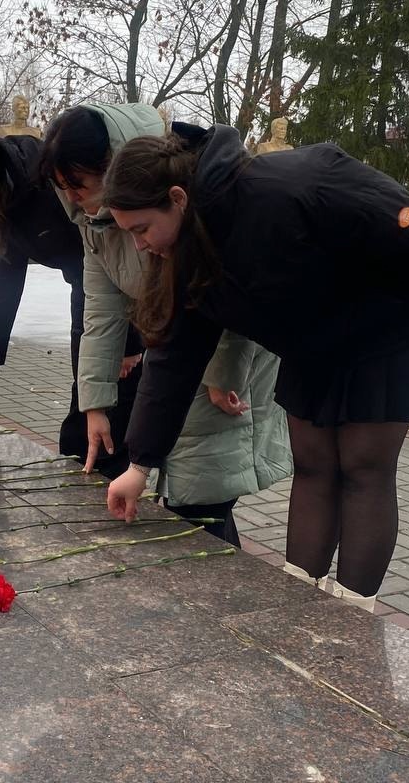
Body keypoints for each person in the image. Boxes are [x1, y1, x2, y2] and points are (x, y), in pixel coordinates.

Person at [102, 126, 409, 610]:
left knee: (363, 469)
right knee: (314, 466)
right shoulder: (185, 250)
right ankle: (298, 606)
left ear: (177, 198)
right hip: (311, 342)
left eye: (141, 229)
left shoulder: (290, 185)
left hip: (387, 327)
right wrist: (140, 463)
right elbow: (174, 356)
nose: (140, 247)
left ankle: (352, 614)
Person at [41, 104, 293, 545]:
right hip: (176, 350)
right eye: (62, 187)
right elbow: (100, 309)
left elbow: (228, 299)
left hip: (223, 352)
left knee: (200, 498)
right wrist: (95, 401)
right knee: (178, 492)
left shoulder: (189, 197)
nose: (72, 198)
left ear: (112, 166)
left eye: (78, 184)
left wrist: (222, 375)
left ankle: (230, 603)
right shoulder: (94, 222)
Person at [0, 120, 141, 477]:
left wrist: (128, 342)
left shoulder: (47, 187)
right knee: (87, 398)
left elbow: (117, 252)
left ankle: (110, 486)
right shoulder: (5, 208)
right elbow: (5, 286)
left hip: (119, 296)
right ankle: (88, 479)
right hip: (88, 291)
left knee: (107, 402)